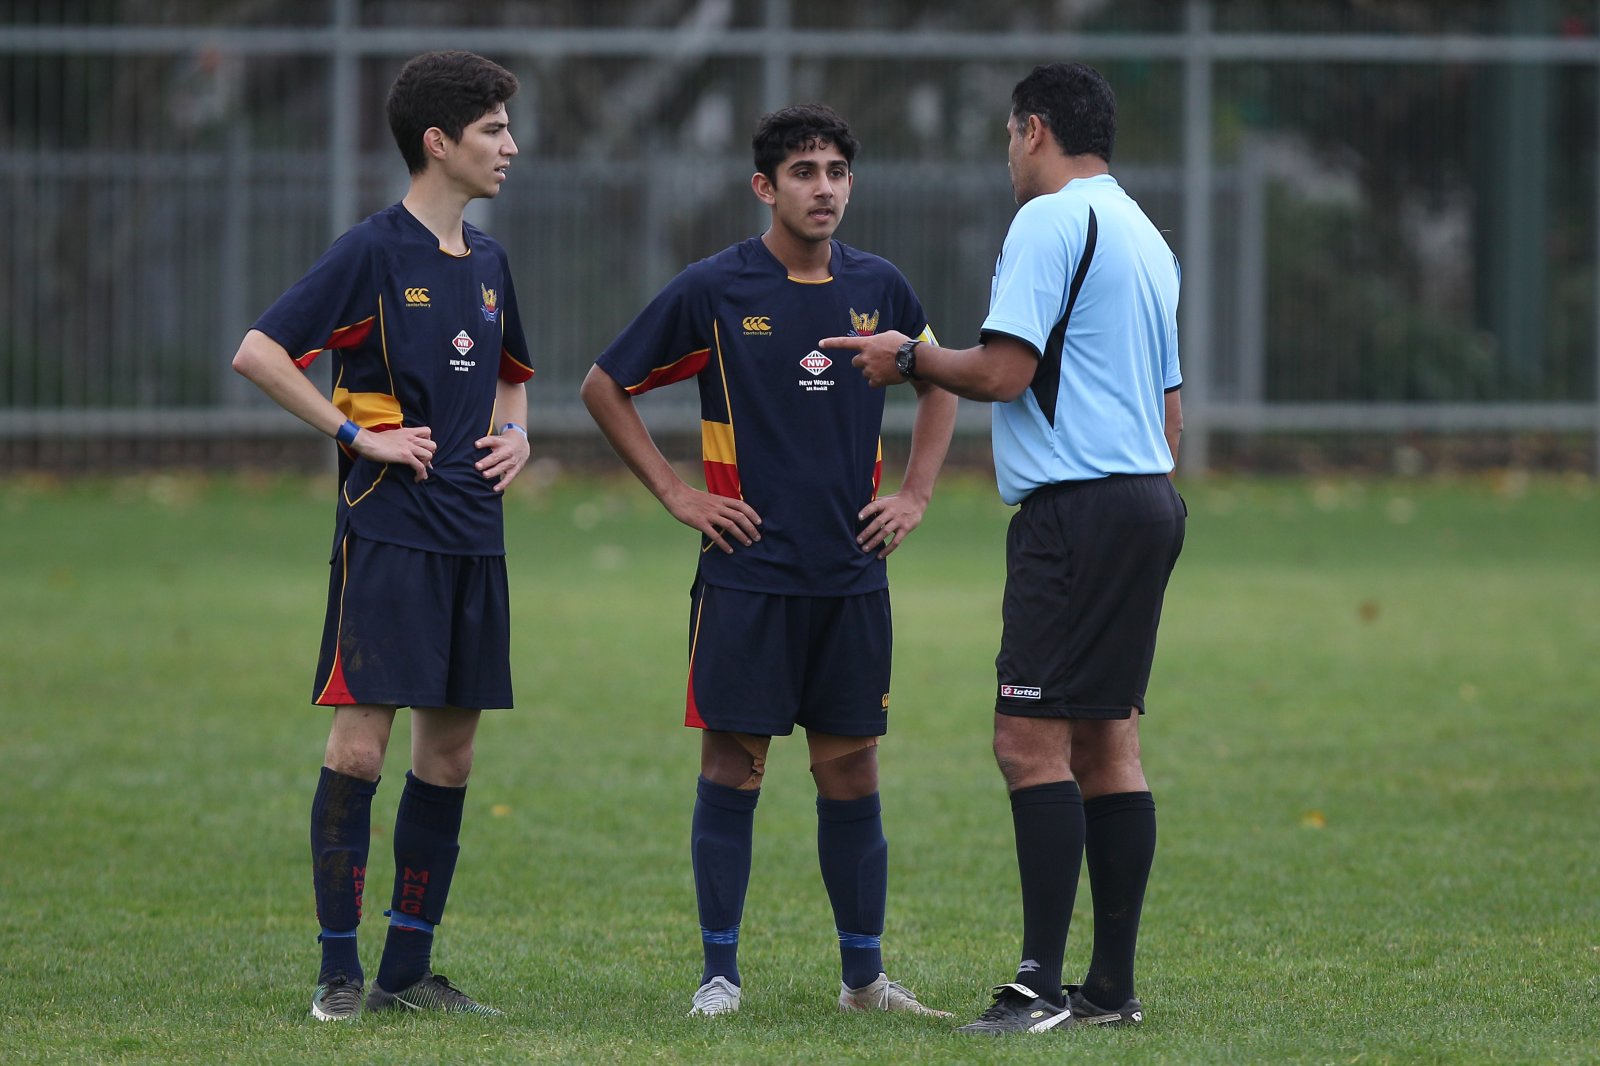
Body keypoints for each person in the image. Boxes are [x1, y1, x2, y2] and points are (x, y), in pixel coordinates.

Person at [823, 62, 1185, 1035]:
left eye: (1007, 138)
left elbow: (1001, 371)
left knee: (1026, 742)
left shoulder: (1048, 221)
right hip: (1148, 500)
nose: (1007, 158)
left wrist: (906, 357)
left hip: (1076, 512)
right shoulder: (1146, 235)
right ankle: (1109, 991)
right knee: (1108, 741)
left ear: (1033, 131)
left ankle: (1037, 989)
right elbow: (1171, 410)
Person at [581, 104, 959, 1020]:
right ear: (765, 186)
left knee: (852, 773)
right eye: (803, 171)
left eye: (836, 171)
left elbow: (941, 377)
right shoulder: (716, 288)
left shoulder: (880, 287)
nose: (823, 188)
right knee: (732, 768)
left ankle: (864, 982)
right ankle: (719, 977)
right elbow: (604, 384)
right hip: (746, 575)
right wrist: (679, 495)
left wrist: (914, 495)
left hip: (851, 575)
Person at [230, 50, 533, 1022]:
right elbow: (259, 352)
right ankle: (337, 973)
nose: (511, 146)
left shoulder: (489, 261)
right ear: (437, 143)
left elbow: (513, 372)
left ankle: (406, 973)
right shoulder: (371, 251)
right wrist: (356, 435)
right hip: (390, 533)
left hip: (474, 537)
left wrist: (518, 435)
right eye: (493, 130)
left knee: (450, 760)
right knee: (361, 751)